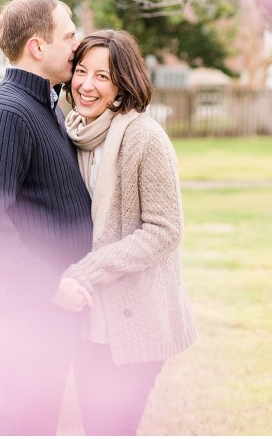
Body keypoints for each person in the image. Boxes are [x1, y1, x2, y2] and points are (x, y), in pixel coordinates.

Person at [0, 0, 94, 435]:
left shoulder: (46, 103)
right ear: (38, 47)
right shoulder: (7, 113)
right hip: (25, 309)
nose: (77, 44)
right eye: (69, 35)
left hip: (47, 310)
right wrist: (50, 286)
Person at [57, 29, 197, 435]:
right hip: (86, 321)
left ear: (122, 84)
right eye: (81, 71)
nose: (86, 84)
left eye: (102, 76)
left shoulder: (144, 137)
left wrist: (87, 270)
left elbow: (164, 231)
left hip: (136, 319)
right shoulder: (74, 132)